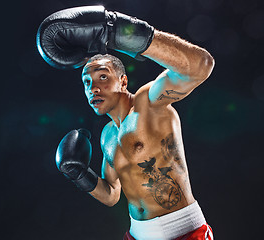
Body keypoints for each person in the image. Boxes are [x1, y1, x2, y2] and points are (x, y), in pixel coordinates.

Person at [37, 5, 215, 240]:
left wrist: (122, 32)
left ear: (123, 81)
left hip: (183, 230)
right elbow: (111, 194)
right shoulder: (107, 135)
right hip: (137, 234)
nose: (94, 89)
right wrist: (80, 175)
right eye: (87, 83)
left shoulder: (148, 104)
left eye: (102, 77)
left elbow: (200, 66)